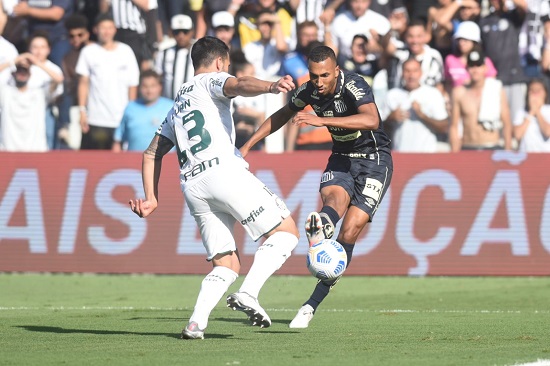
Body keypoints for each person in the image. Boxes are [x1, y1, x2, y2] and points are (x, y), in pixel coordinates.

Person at [128, 36, 299, 340]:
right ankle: (249, 293)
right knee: (286, 232)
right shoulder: (211, 81)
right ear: (219, 62)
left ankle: (196, 324)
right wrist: (271, 87)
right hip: (223, 172)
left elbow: (150, 153)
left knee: (226, 264)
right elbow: (239, 84)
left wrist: (151, 198)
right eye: (227, 65)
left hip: (193, 186)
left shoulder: (176, 104)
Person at [239, 45, 393, 328]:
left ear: (336, 70)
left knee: (350, 231)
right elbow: (282, 114)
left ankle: (310, 306)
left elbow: (372, 119)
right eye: (313, 75)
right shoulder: (308, 90)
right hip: (342, 159)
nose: (318, 82)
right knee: (332, 202)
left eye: (324, 75)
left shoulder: (355, 85)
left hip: (375, 161)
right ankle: (322, 226)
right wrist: (247, 145)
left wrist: (321, 120)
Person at [76, 13, 140, 150]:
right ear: (95, 30)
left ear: (115, 30)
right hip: (95, 119)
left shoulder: (126, 51)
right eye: (102, 28)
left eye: (109, 27)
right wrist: (82, 111)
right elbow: (83, 83)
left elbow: (133, 84)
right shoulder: (88, 52)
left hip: (120, 119)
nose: (106, 31)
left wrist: (131, 113)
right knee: (93, 162)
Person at [449, 50, 512, 151]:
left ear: (485, 68)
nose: (475, 70)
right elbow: (454, 126)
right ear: (467, 68)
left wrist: (508, 150)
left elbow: (506, 123)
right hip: (468, 147)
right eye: (471, 66)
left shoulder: (496, 89)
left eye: (478, 66)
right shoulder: (459, 92)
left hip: (491, 146)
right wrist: (454, 154)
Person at [383, 57, 449, 152]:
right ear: (402, 73)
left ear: (421, 73)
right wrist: (391, 118)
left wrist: (422, 115)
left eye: (415, 71)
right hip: (400, 153)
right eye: (407, 71)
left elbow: (443, 127)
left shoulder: (433, 94)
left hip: (427, 154)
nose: (411, 75)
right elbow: (379, 130)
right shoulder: (392, 95)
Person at [112, 69, 173, 152]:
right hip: (133, 162)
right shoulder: (131, 107)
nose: (149, 90)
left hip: (166, 162)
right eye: (145, 86)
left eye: (153, 86)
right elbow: (118, 140)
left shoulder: (172, 107)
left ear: (160, 87)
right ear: (139, 88)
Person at [0, 62, 48, 152]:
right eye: (19, 71)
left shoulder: (39, 93)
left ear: (30, 74)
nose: (22, 75)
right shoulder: (6, 92)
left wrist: (35, 61)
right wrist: (13, 60)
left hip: (35, 150)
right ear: (14, 74)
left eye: (25, 72)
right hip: (9, 149)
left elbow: (59, 79)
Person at [154, 14, 195, 100]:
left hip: (193, 106)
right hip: (169, 105)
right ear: (171, 32)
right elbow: (157, 79)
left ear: (192, 32)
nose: (181, 36)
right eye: (177, 32)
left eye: (185, 31)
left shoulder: (200, 53)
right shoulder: (163, 53)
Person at [513, 78, 550, 152]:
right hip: (527, 156)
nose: (535, 94)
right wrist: (531, 113)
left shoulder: (548, 110)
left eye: (538, 91)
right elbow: (517, 135)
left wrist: (537, 112)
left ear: (545, 93)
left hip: (546, 156)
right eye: (532, 91)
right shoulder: (521, 112)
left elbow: (547, 132)